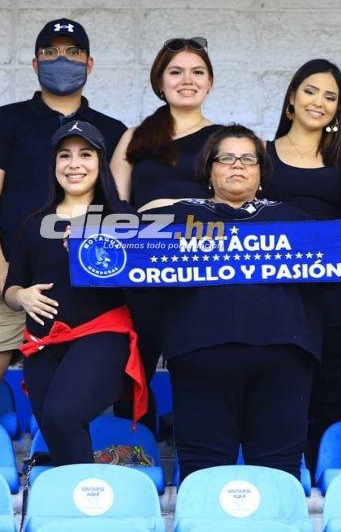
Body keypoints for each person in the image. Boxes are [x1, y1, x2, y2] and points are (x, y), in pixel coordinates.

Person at [0, 18, 126, 419]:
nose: (62, 60)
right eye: (50, 53)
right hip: (6, 267)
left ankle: (89, 464)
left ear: (90, 63)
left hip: (87, 274)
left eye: (72, 53)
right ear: (35, 64)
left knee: (86, 376)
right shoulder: (7, 119)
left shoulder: (111, 130)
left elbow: (120, 203)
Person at [156, 125, 318, 479]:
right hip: (201, 361)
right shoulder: (175, 217)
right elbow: (125, 254)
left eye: (248, 159)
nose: (237, 166)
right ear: (209, 170)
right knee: (203, 474)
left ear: (261, 171)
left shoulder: (293, 218)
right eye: (226, 158)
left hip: (283, 363)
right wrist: (81, 246)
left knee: (278, 474)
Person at [4, 120, 146, 466]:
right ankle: (76, 507)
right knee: (54, 425)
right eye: (65, 156)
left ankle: (83, 500)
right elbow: (11, 287)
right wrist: (21, 296)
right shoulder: (34, 221)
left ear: (100, 163)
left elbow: (144, 283)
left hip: (100, 335)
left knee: (62, 415)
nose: (74, 164)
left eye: (85, 155)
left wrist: (97, 251)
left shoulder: (122, 218)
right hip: (42, 343)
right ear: (54, 165)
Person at [109, 37, 222, 431]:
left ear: (209, 82)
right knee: (134, 364)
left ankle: (194, 452)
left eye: (197, 72)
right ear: (160, 81)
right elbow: (114, 204)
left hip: (202, 266)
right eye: (176, 72)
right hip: (143, 267)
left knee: (196, 361)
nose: (186, 80)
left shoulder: (226, 139)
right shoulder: (135, 137)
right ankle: (132, 449)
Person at [261, 58, 341, 468]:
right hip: (276, 287)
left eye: (330, 96)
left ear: (338, 109)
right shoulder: (260, 154)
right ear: (291, 96)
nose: (319, 102)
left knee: (329, 383)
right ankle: (282, 472)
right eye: (310, 90)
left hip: (337, 292)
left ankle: (325, 478)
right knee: (280, 377)